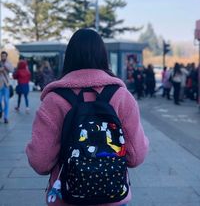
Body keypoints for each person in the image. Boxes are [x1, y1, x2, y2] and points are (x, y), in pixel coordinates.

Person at [26, 28, 149, 206]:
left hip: (67, 197)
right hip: (113, 196)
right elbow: (135, 157)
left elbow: (40, 162)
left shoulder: (54, 100)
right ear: (103, 56)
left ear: (69, 57)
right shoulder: (121, 96)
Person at [0, 51, 14, 123]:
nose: (3, 57)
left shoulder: (8, 63)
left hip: (6, 85)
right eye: (2, 56)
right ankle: (0, 111)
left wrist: (5, 66)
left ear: (6, 56)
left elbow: (12, 70)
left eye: (4, 56)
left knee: (6, 101)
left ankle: (6, 117)